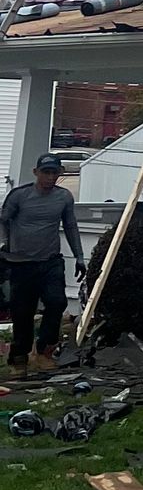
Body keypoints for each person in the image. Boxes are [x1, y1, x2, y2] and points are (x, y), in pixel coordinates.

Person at [2, 152, 85, 370]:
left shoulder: (63, 197)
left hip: (50, 260)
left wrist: (79, 256)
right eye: (45, 172)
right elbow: (3, 220)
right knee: (23, 311)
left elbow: (70, 226)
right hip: (21, 262)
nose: (50, 177)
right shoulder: (20, 196)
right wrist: (4, 244)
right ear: (36, 172)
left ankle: (45, 349)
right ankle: (19, 356)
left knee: (57, 302)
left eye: (54, 173)